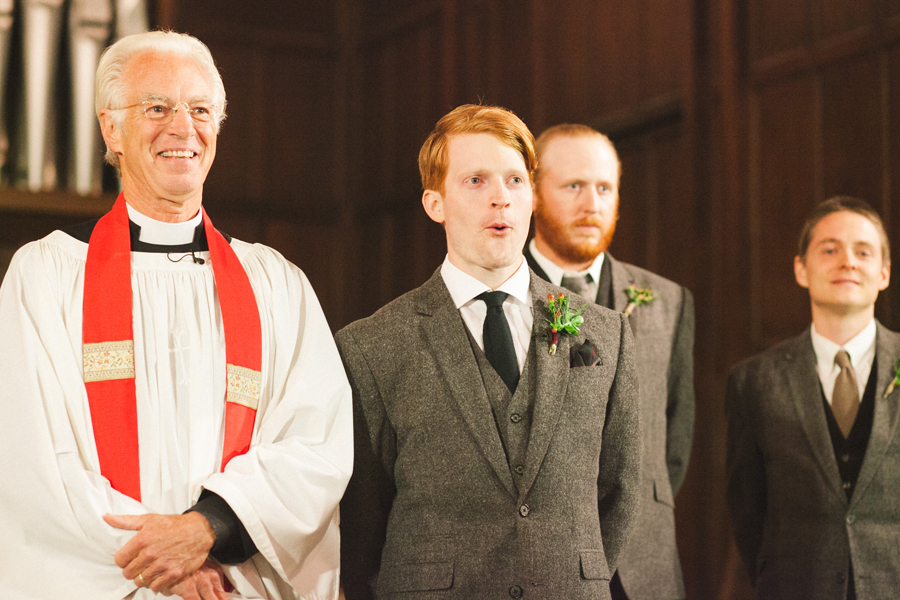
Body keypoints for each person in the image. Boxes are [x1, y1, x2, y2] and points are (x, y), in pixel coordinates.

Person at [0, 31, 352, 600]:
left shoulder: (275, 285)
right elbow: (29, 461)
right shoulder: (46, 277)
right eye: (156, 107)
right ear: (110, 129)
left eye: (200, 109)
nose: (182, 127)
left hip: (233, 583)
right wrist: (164, 563)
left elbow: (315, 445)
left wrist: (210, 530)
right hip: (106, 582)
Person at [337, 104, 642, 600]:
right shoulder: (372, 346)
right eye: (476, 181)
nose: (500, 198)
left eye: (515, 181)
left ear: (532, 199)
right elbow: (362, 520)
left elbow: (620, 490)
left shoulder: (605, 334)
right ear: (435, 203)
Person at [525, 124, 694, 600]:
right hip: (539, 562)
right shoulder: (501, 296)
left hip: (645, 566)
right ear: (534, 193)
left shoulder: (669, 300)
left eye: (604, 188)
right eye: (573, 186)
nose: (591, 203)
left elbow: (675, 436)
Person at [726, 197, 898, 600]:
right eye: (830, 249)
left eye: (863, 251)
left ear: (884, 273)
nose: (848, 262)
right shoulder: (752, 381)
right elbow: (748, 513)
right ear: (801, 269)